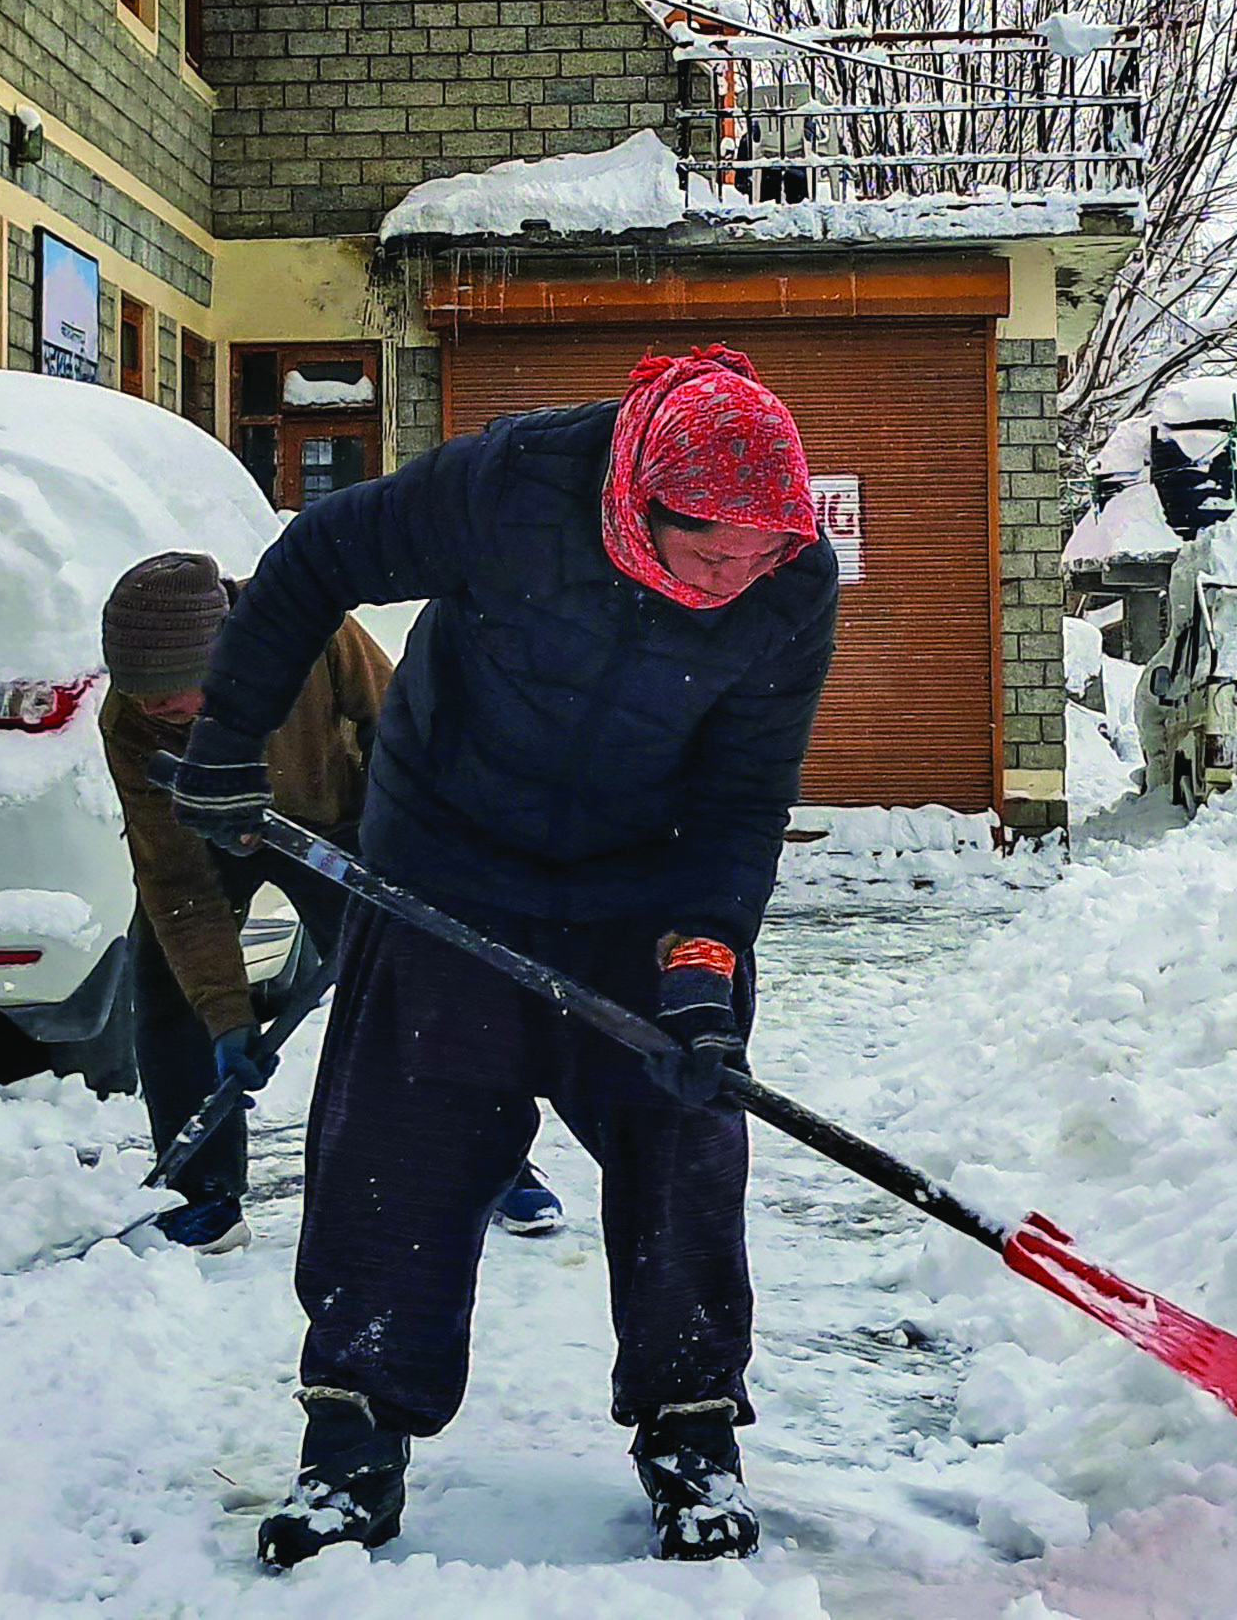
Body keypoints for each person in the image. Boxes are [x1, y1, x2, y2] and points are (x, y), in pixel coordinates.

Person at [170, 346, 838, 1568]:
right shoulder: (516, 484)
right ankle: (353, 1441)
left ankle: (692, 1431)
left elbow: (744, 797)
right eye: (712, 553)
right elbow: (318, 559)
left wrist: (703, 971)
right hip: (447, 861)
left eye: (765, 554)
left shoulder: (790, 587)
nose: (737, 580)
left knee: (686, 1128)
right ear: (639, 501)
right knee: (396, 1148)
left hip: (643, 882)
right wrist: (228, 732)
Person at [94, 556, 562, 1251]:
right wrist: (226, 1015)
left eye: (169, 693)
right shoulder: (134, 724)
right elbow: (176, 882)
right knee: (166, 979)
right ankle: (204, 1190)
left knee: (418, 978)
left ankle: (494, 1161)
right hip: (212, 831)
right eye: (140, 696)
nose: (153, 710)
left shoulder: (310, 632)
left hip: (340, 816)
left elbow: (406, 732)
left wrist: (412, 853)